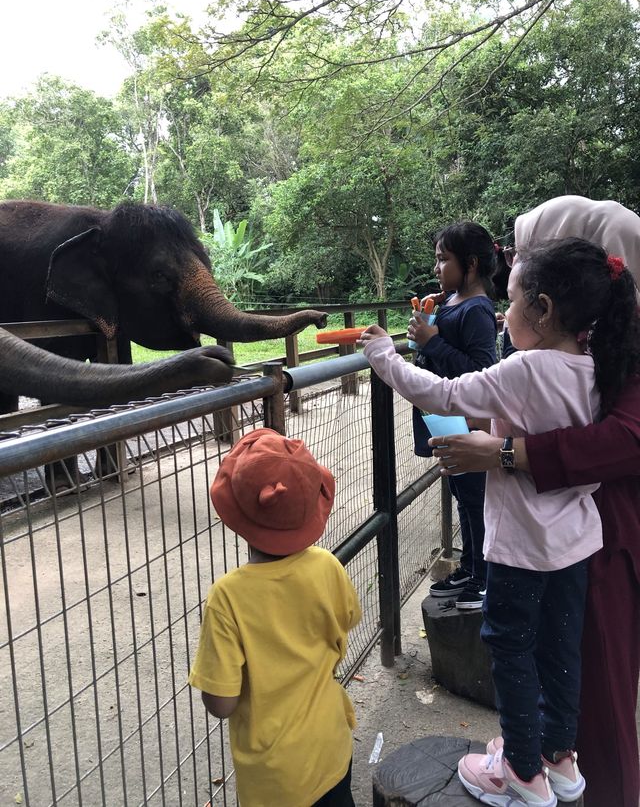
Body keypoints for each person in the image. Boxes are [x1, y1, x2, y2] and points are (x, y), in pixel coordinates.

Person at [359, 237, 640, 807]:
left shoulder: (525, 368)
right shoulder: (593, 367)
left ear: (541, 310)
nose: (502, 316)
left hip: (520, 546)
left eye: (509, 303)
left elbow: (440, 391)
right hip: (576, 544)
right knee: (559, 649)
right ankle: (558, 759)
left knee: (509, 646)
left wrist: (383, 355)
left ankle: (518, 770)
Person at [188, 428, 362, 807]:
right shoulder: (327, 565)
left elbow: (222, 704)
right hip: (332, 747)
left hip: (274, 777)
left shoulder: (228, 598)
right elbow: (348, 618)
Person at [409, 221, 497, 610]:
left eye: (443, 260)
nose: (436, 268)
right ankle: (470, 565)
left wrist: (434, 341)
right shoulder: (451, 302)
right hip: (442, 417)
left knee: (476, 499)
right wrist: (429, 321)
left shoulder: (477, 310)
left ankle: (485, 577)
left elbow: (480, 371)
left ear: (471, 265)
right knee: (462, 497)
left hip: (464, 421)